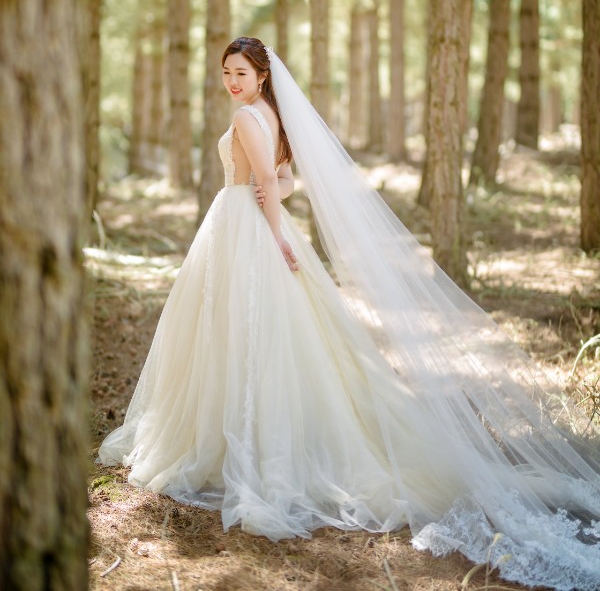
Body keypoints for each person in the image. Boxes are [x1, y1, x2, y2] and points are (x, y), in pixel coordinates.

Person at [99, 37, 600, 590]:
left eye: (240, 72)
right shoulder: (273, 116)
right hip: (255, 223)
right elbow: (286, 181)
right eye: (225, 72)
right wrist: (274, 213)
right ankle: (233, 429)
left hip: (248, 227)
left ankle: (235, 440)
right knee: (250, 331)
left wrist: (276, 239)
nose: (232, 81)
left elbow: (269, 183)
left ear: (262, 76)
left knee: (244, 329)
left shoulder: (248, 117)